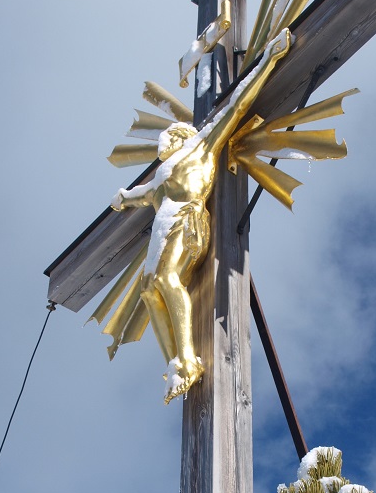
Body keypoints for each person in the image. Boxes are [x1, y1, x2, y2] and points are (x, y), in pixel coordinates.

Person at [110, 28, 291, 402]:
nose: (161, 144)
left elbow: (236, 105)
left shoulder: (200, 145)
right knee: (148, 289)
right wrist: (124, 197)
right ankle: (178, 362)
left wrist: (269, 59)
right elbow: (144, 195)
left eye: (166, 139)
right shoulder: (160, 176)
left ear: (178, 137)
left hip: (187, 218)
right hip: (165, 222)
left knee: (165, 277)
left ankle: (189, 360)